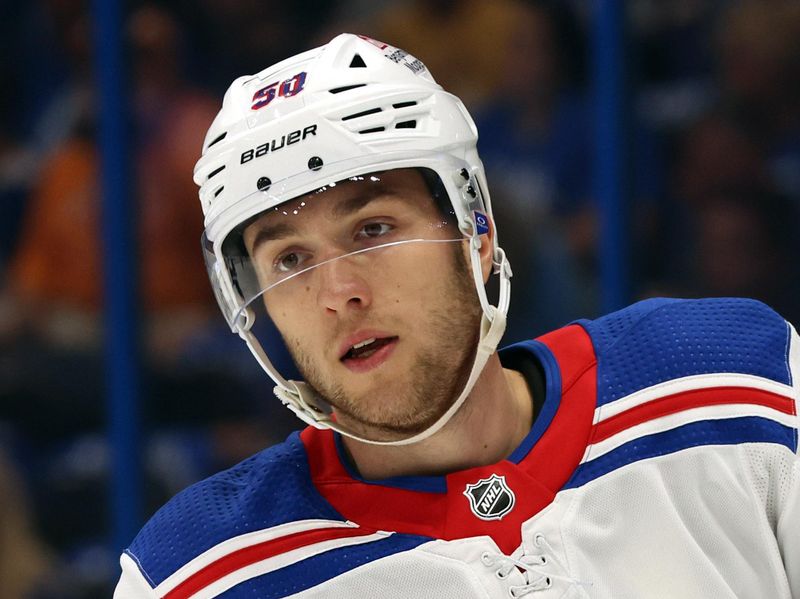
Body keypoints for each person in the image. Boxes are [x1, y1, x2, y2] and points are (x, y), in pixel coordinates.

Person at [114, 33, 800, 598]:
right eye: (290, 261)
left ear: (477, 232)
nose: (339, 292)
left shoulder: (735, 383)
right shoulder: (196, 575)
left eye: (374, 228)